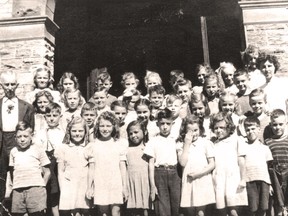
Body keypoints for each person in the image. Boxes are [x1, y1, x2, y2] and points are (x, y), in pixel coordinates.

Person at [0, 71, 35, 202]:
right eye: (6, 84)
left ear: (17, 85)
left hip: (19, 142)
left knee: (19, 175)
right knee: (1, 177)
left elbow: (31, 129)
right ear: (1, 85)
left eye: (12, 84)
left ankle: (20, 207)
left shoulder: (27, 107)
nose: (10, 87)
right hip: (2, 143)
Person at [86, 111, 128, 216]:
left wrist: (125, 186)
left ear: (114, 127)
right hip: (100, 182)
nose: (105, 129)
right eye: (102, 126)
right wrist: (89, 187)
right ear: (97, 127)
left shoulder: (119, 144)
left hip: (115, 182)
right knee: (103, 212)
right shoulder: (93, 145)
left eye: (108, 126)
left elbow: (123, 167)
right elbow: (91, 168)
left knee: (116, 211)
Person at [143, 108, 181, 216]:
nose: (165, 127)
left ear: (172, 124)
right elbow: (151, 163)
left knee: (176, 206)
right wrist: (152, 185)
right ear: (157, 124)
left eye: (168, 124)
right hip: (159, 173)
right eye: (162, 123)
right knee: (162, 208)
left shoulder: (176, 139)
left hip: (175, 173)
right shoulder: (153, 141)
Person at [210, 112, 248, 216]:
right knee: (221, 207)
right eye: (216, 128)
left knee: (233, 207)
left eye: (222, 127)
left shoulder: (236, 140)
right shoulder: (214, 143)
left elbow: (241, 161)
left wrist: (243, 179)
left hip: (232, 178)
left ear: (229, 127)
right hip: (219, 178)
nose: (219, 130)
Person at [9, 121, 51, 216]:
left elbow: (47, 172)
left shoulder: (38, 149)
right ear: (15, 137)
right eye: (19, 137)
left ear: (31, 136)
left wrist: (41, 186)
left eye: (25, 136)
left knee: (37, 214)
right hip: (18, 190)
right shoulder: (13, 151)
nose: (22, 139)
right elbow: (12, 172)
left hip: (36, 189)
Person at [177, 115, 216, 216]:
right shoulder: (181, 145)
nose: (193, 134)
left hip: (202, 179)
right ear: (184, 131)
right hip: (189, 181)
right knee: (189, 210)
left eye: (195, 130)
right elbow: (182, 163)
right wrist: (186, 144)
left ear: (200, 129)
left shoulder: (205, 143)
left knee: (200, 211)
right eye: (190, 131)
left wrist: (198, 174)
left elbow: (212, 164)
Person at [33, 102, 65, 216]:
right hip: (46, 166)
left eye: (55, 116)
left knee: (56, 193)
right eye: (49, 116)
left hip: (58, 166)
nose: (51, 119)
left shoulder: (63, 133)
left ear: (60, 116)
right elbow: (37, 148)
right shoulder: (41, 133)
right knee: (46, 191)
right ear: (45, 117)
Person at [55, 116, 91, 216]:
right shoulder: (63, 148)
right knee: (74, 212)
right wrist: (63, 189)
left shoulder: (89, 147)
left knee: (86, 211)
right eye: (74, 131)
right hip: (69, 184)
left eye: (80, 131)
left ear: (85, 132)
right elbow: (60, 171)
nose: (77, 134)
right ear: (69, 132)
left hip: (84, 183)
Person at [243, 116, 273, 216]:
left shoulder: (265, 148)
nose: (250, 131)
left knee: (263, 207)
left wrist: (271, 185)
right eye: (247, 130)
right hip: (249, 181)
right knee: (252, 208)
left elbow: (269, 168)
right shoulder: (243, 147)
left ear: (259, 129)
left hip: (264, 181)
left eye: (253, 129)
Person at [264, 109, 288, 216]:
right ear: (270, 125)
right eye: (274, 125)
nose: (277, 127)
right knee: (278, 205)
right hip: (275, 176)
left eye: (280, 124)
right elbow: (267, 164)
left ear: (286, 124)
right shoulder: (268, 142)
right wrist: (270, 184)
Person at [125, 120, 150, 216]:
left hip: (145, 181)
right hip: (132, 182)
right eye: (130, 133)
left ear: (145, 132)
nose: (133, 135)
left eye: (136, 132)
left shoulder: (148, 148)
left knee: (146, 208)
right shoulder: (127, 150)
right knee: (134, 210)